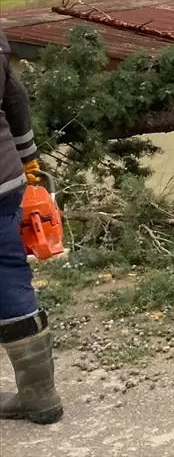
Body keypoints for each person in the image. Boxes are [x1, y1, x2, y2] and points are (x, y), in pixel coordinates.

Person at [0, 29, 63, 424]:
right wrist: (28, 161)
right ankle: (40, 395)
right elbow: (16, 98)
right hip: (4, 179)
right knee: (8, 274)